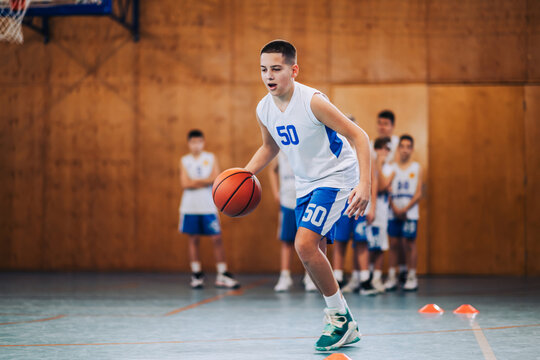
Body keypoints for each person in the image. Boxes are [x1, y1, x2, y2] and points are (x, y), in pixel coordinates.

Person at [245, 40, 371, 351]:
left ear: (293, 69)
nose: (269, 76)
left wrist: (365, 184)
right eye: (263, 69)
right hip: (305, 183)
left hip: (336, 177)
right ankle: (344, 321)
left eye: (276, 68)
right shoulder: (264, 108)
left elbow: (360, 136)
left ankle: (339, 318)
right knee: (315, 254)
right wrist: (244, 174)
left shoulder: (312, 101)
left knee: (303, 244)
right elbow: (270, 147)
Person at [179, 129, 240, 290]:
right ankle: (196, 273)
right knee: (193, 239)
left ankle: (222, 273)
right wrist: (204, 181)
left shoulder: (210, 158)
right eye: (193, 142)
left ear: (203, 142)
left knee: (217, 238)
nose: (196, 145)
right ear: (189, 143)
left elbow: (216, 178)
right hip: (190, 206)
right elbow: (185, 183)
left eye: (199, 142)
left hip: (208, 205)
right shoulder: (184, 160)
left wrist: (196, 181)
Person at [269, 151, 317, 292]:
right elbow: (272, 170)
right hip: (287, 200)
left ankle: (309, 276)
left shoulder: (303, 148)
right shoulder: (279, 151)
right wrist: (275, 192)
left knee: (309, 241)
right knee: (287, 241)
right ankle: (285, 276)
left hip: (305, 199)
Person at [385, 135, 422, 291]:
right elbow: (387, 190)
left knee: (409, 244)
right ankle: (392, 276)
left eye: (408, 146)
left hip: (410, 212)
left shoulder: (416, 167)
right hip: (394, 211)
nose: (405, 150)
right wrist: (394, 207)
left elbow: (419, 193)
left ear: (412, 149)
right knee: (393, 243)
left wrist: (405, 209)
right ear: (398, 148)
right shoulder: (392, 168)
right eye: (403, 146)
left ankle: (412, 276)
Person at [375, 110, 408, 284]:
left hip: (395, 194)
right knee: (386, 239)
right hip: (380, 196)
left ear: (392, 126)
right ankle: (384, 275)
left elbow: (397, 168)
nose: (382, 127)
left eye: (385, 123)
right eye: (379, 123)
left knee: (401, 238)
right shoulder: (375, 144)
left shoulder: (398, 145)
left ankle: (402, 271)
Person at [367, 137, 394, 293]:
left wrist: (379, 164)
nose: (383, 152)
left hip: (382, 212)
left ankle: (376, 278)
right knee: (366, 244)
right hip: (367, 209)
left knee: (380, 245)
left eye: (386, 149)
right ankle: (365, 277)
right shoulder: (367, 165)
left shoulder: (390, 169)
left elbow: (383, 186)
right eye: (380, 149)